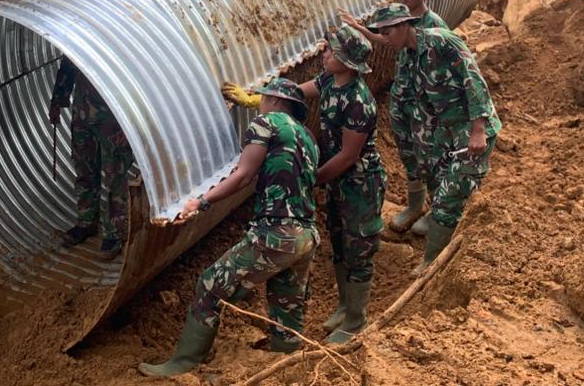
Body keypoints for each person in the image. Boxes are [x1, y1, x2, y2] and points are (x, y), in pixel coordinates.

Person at [140, 78, 319, 378]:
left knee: (210, 286)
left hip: (276, 233)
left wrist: (201, 202)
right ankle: (286, 368)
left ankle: (184, 362)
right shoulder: (307, 136)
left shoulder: (266, 124)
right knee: (287, 303)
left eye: (263, 98)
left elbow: (243, 175)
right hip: (305, 236)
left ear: (275, 100)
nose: (259, 103)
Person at [367, 2, 500, 267]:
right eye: (380, 33)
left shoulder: (441, 42)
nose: (385, 39)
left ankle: (430, 265)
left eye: (387, 32)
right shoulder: (408, 55)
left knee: (448, 199)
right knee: (441, 186)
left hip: (471, 131)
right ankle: (449, 238)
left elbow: (474, 81)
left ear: (404, 25)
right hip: (447, 132)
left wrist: (478, 131)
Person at [298, 24, 385, 345]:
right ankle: (344, 305)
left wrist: (313, 179)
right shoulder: (329, 81)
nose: (324, 54)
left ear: (348, 62)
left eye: (331, 51)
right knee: (338, 241)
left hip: (360, 184)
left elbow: (349, 156)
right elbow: (300, 91)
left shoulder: (358, 101)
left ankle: (356, 320)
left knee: (358, 249)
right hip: (337, 181)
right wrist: (263, 95)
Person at [343, 0, 447, 236]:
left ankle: (437, 208)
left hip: (426, 106)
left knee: (431, 157)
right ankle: (415, 206)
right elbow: (387, 40)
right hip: (403, 100)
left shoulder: (433, 26)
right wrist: (360, 29)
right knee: (409, 153)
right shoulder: (399, 22)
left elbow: (448, 68)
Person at [49, 55, 135, 260]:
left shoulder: (122, 43)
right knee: (85, 170)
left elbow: (136, 79)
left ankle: (113, 233)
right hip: (83, 116)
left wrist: (131, 121)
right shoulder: (80, 37)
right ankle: (87, 222)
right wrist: (57, 101)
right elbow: (68, 64)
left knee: (115, 177)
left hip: (113, 121)